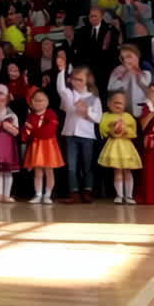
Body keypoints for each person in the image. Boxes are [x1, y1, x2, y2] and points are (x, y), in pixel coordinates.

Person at [56, 60, 102, 203]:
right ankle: (74, 192)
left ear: (87, 80)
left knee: (87, 165)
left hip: (87, 136)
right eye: (74, 79)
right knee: (71, 165)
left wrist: (86, 111)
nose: (77, 82)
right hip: (71, 135)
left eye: (80, 79)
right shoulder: (70, 94)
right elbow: (61, 89)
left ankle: (88, 190)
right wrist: (61, 71)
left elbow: (98, 118)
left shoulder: (93, 98)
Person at [99, 91, 142, 204]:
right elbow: (103, 131)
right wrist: (113, 129)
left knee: (127, 170)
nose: (118, 105)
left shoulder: (128, 117)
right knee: (117, 171)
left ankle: (129, 196)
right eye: (115, 103)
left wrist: (124, 130)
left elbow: (133, 132)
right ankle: (119, 195)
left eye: (121, 103)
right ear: (109, 103)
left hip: (126, 146)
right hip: (114, 145)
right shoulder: (106, 116)